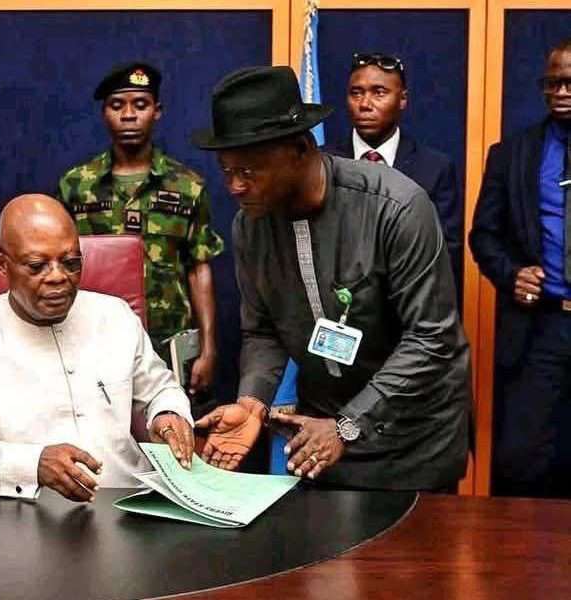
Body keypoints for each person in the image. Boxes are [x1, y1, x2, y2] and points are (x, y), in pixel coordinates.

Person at [190, 66, 470, 491]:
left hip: (413, 439)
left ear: (301, 149)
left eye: (249, 171)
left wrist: (349, 424)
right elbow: (263, 330)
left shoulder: (395, 206)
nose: (235, 187)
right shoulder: (250, 225)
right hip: (319, 436)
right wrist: (252, 402)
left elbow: (432, 337)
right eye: (227, 171)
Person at [0, 195, 194, 502]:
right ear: (2, 265)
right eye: (37, 266)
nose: (57, 277)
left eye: (71, 263)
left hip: (130, 505)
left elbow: (159, 388)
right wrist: (30, 466)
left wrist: (167, 413)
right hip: (27, 515)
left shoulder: (116, 316)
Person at [56, 62, 224, 399]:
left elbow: (199, 268)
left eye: (141, 104)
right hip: (94, 339)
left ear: (157, 111)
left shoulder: (187, 185)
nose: (129, 115)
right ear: (104, 113)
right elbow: (58, 263)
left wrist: (208, 347)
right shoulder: (76, 185)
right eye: (117, 105)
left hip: (167, 342)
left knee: (172, 423)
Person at [470, 38, 571, 498]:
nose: (561, 92)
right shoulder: (512, 153)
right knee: (524, 461)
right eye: (552, 83)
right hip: (540, 327)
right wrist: (512, 274)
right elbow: (483, 235)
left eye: (570, 83)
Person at [326, 52, 464, 298]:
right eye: (356, 93)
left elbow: (444, 255)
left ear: (402, 99)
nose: (365, 104)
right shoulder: (323, 163)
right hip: (335, 306)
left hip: (406, 307)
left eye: (379, 93)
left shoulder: (434, 168)